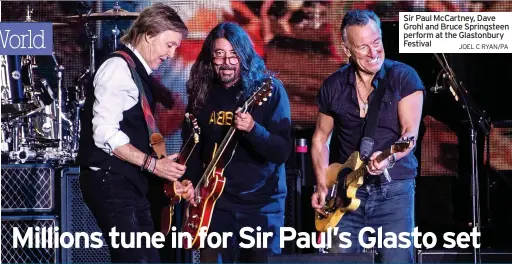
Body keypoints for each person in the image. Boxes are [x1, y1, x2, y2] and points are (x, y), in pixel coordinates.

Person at [77, 3, 194, 263]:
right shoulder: (117, 68)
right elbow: (104, 133)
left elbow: (144, 133)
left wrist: (165, 171)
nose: (172, 54)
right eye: (169, 44)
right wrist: (153, 165)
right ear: (149, 34)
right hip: (111, 183)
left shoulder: (137, 72)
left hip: (130, 184)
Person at [310, 10, 424, 263]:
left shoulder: (403, 77)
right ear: (346, 49)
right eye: (363, 47)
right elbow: (320, 139)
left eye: (377, 43)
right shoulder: (333, 86)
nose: (374, 53)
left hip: (393, 190)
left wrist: (390, 159)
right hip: (343, 195)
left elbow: (410, 134)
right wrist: (321, 184)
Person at [183, 22, 291, 263]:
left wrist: (253, 129)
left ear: (244, 56)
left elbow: (282, 151)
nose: (227, 62)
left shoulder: (269, 91)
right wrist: (190, 183)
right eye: (220, 54)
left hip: (262, 206)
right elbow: (193, 144)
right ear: (210, 58)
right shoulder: (202, 92)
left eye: (234, 55)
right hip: (215, 205)